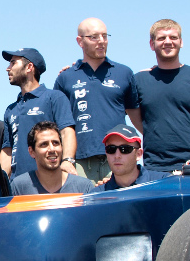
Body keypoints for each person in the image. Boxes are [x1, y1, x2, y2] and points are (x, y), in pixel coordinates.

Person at [52, 18, 138, 183]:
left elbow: (136, 117)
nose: (101, 41)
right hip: (79, 162)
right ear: (80, 41)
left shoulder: (124, 73)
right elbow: (58, 123)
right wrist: (66, 159)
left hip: (118, 156)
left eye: (104, 36)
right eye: (94, 37)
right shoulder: (65, 77)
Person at [131, 19, 190, 172]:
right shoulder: (139, 81)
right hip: (155, 167)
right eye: (161, 38)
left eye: (173, 37)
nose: (168, 42)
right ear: (152, 44)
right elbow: (135, 117)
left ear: (181, 42)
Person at [1, 48, 75, 179]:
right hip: (17, 185)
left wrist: (68, 161)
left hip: (49, 183)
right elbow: (8, 151)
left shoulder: (54, 98)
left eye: (13, 63)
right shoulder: (10, 109)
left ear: (29, 67)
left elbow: (66, 131)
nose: (8, 68)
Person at [9, 122, 92, 195]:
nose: (52, 149)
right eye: (44, 144)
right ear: (32, 152)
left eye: (56, 143)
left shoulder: (84, 188)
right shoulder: (19, 188)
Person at [99, 124, 169, 190]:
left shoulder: (164, 183)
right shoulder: (98, 194)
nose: (117, 156)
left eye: (125, 149)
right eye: (111, 149)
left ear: (138, 154)